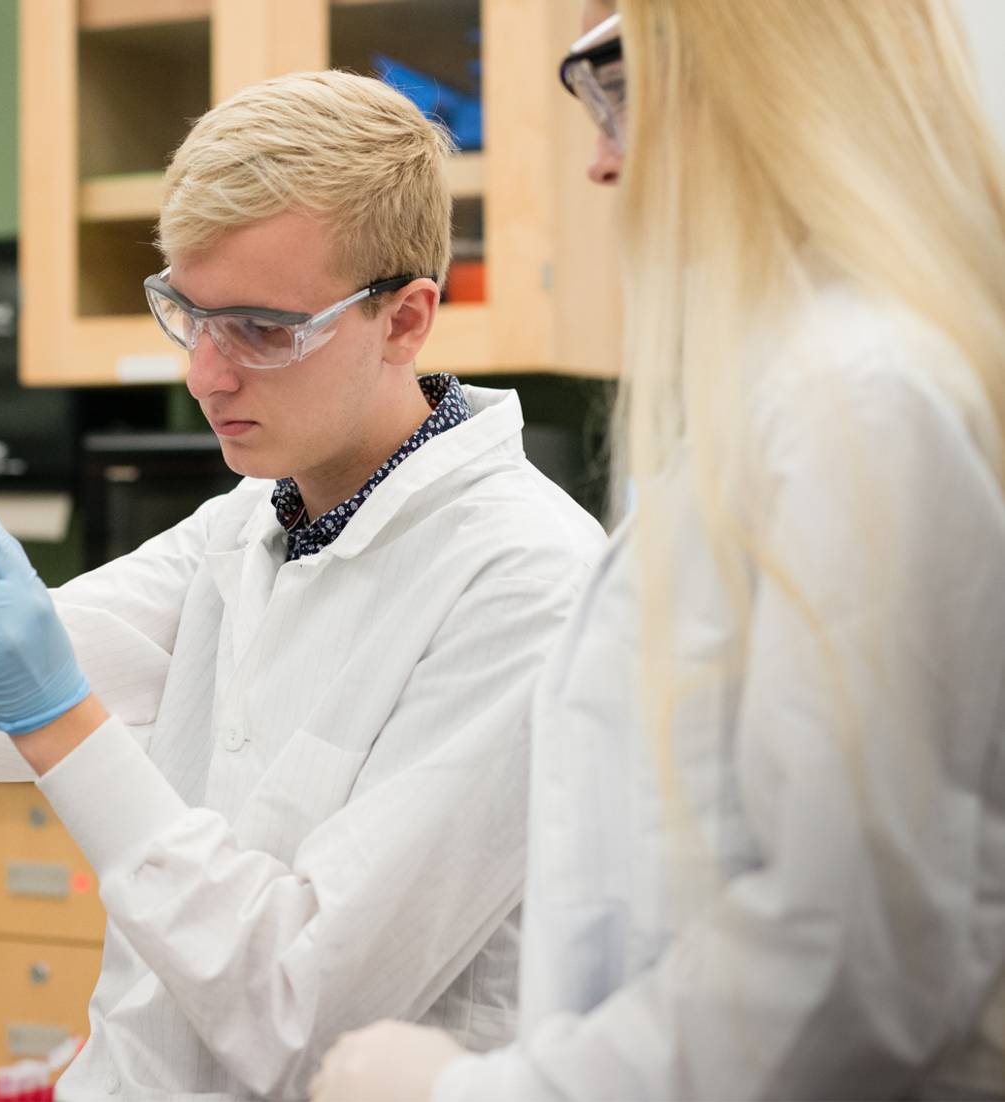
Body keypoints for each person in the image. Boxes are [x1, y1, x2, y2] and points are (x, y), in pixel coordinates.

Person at [0, 69, 608, 1098]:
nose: (205, 371)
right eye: (186, 313)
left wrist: (63, 721)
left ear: (407, 318)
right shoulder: (248, 525)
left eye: (262, 328)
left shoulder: (529, 583)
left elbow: (298, 1013)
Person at [312, 1, 1005, 1097]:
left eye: (613, 82)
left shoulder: (860, 401)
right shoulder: (790, 405)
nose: (597, 161)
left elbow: (848, 966)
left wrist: (471, 1091)